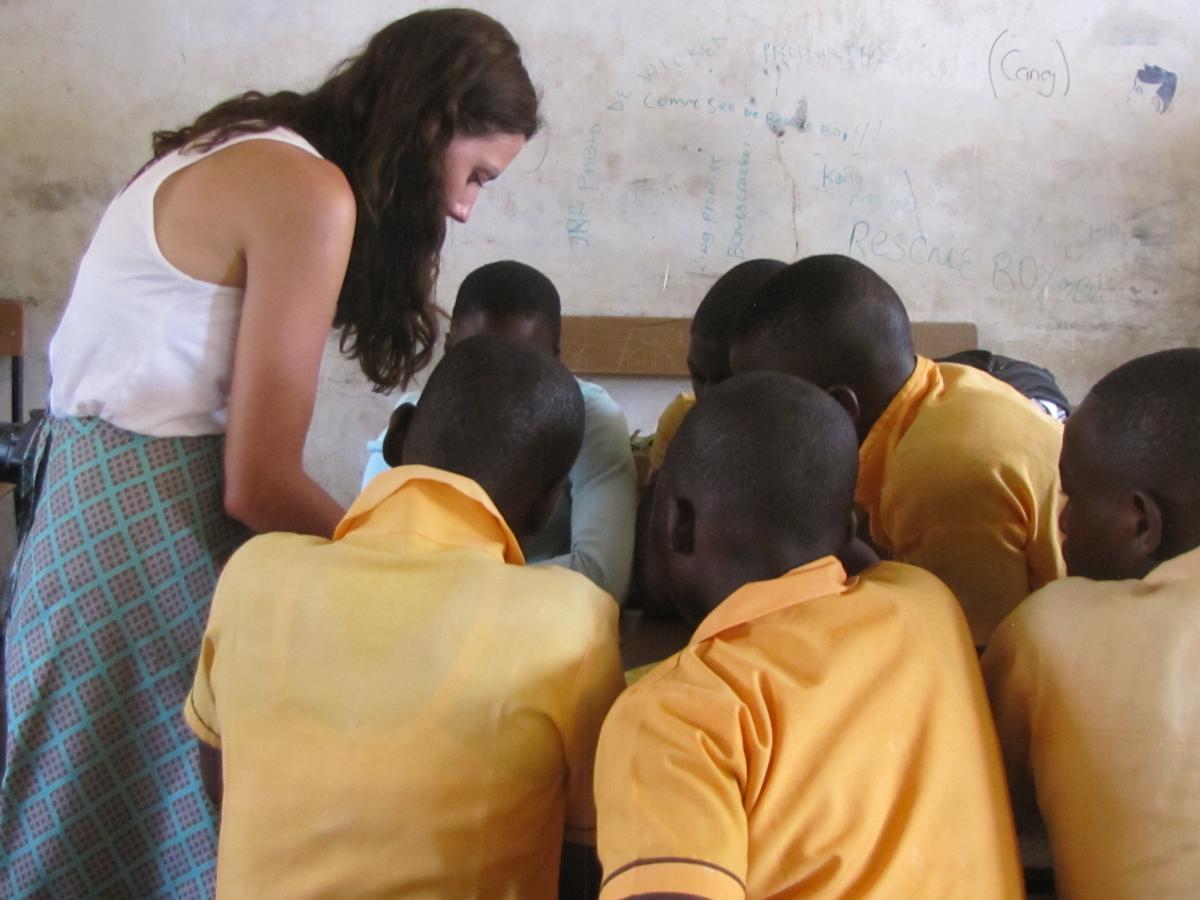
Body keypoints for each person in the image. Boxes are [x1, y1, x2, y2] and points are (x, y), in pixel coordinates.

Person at [1, 10, 538, 896]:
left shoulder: (245, 146)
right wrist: (409, 569)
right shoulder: (306, 189)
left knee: (86, 834)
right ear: (432, 123)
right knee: (127, 836)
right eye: (475, 172)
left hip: (90, 522)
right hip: (143, 548)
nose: (463, 207)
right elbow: (259, 484)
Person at [186, 335, 623, 898]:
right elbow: (592, 857)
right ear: (547, 504)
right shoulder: (572, 622)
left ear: (396, 434)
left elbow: (224, 785)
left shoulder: (252, 574)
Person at [595, 371, 1022, 898]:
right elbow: (864, 559)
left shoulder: (675, 715)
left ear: (674, 523)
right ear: (847, 529)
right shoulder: (925, 601)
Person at [730, 254, 1065, 646]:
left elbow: (971, 664)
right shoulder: (948, 387)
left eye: (768, 412)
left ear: (841, 408)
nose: (760, 434)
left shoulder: (938, 476)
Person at [982, 348, 1200, 899]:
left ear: (1141, 523)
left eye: (1074, 495)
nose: (1062, 520)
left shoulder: (1052, 629)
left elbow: (1000, 798)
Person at [362, 260, 637, 602]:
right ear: (448, 350)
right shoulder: (422, 414)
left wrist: (438, 587)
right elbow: (370, 549)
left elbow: (601, 577)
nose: (499, 380)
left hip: (530, 621)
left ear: (556, 359)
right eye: (475, 358)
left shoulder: (592, 419)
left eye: (525, 363)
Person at [647, 258, 786, 473]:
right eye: (697, 376)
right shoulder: (682, 423)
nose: (707, 399)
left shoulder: (830, 448)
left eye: (727, 380)